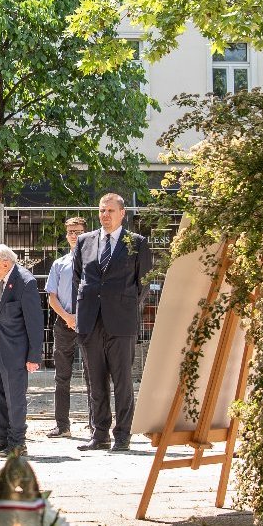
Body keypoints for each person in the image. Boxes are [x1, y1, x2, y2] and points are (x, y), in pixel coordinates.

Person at [73, 193, 154, 452]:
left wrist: (124, 304)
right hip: (90, 321)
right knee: (95, 381)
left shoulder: (136, 243)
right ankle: (100, 435)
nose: (104, 215)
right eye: (101, 210)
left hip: (121, 321)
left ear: (122, 213)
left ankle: (122, 435)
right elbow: (78, 278)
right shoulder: (85, 241)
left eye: (110, 210)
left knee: (122, 381)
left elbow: (143, 282)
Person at [0, 245, 44, 456]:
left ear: (5, 264)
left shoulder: (26, 282)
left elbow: (35, 322)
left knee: (15, 399)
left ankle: (17, 443)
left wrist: (34, 356)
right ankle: (1, 440)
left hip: (16, 351)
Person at [42, 216, 89, 438]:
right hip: (64, 323)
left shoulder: (93, 262)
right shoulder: (59, 264)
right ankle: (62, 425)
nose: (73, 235)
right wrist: (68, 317)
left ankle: (96, 424)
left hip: (89, 323)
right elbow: (51, 297)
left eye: (78, 231)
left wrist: (81, 317)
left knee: (93, 375)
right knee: (62, 376)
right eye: (70, 232)